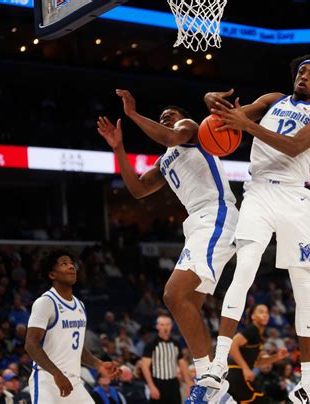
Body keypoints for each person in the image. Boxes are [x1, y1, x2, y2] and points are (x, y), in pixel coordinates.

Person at [197, 52, 310, 404]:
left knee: (303, 286)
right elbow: (227, 121)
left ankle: (307, 384)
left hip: (293, 196)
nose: (303, 76)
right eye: (301, 71)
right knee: (243, 269)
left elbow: (294, 147)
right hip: (258, 190)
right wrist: (211, 104)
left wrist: (249, 127)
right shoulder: (273, 100)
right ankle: (217, 363)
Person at [97, 90, 239, 401]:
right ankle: (219, 393)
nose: (165, 118)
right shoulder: (165, 161)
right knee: (187, 305)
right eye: (162, 117)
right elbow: (136, 189)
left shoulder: (190, 129)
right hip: (200, 224)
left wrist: (133, 115)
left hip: (216, 214)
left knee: (173, 294)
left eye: (168, 115)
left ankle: (208, 380)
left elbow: (173, 135)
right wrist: (119, 148)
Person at [25, 250, 120, 403]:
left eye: (71, 263)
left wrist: (98, 364)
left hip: (73, 381)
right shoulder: (46, 302)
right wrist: (57, 374)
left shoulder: (80, 306)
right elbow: (31, 344)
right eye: (64, 264)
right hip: (47, 380)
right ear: (52, 275)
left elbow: (76, 347)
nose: (71, 267)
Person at [227, 304, 288, 403]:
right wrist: (245, 368)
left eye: (267, 312)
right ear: (253, 316)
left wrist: (277, 356)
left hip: (237, 375)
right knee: (261, 400)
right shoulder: (252, 330)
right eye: (261, 312)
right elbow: (233, 344)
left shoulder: (259, 335)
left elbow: (257, 363)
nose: (265, 314)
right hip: (236, 373)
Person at [140, 315, 191, 404]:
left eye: (167, 324)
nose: (165, 327)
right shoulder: (151, 344)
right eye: (162, 325)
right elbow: (144, 366)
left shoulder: (176, 344)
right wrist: (151, 386)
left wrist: (188, 382)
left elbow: (182, 363)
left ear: (171, 326)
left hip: (173, 383)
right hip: (158, 382)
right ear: (157, 326)